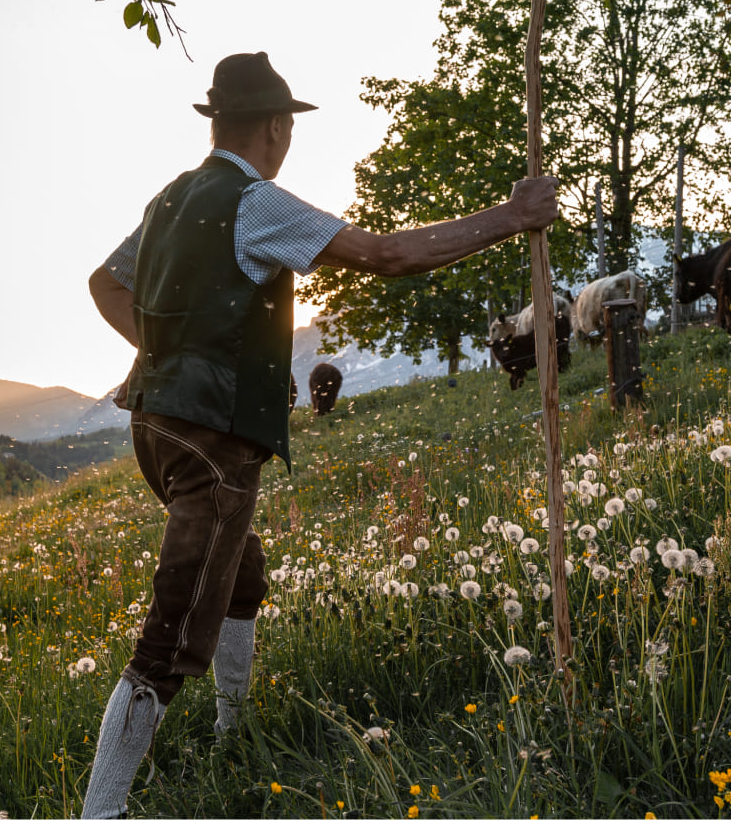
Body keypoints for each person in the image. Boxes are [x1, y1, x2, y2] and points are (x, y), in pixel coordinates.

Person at [81, 51, 558, 818]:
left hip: (153, 429)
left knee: (241, 574)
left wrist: (164, 353)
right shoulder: (255, 200)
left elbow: (105, 282)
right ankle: (100, 812)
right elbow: (387, 254)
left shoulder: (171, 200)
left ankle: (231, 732)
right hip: (215, 439)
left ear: (217, 121)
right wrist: (513, 216)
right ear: (277, 126)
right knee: (167, 639)